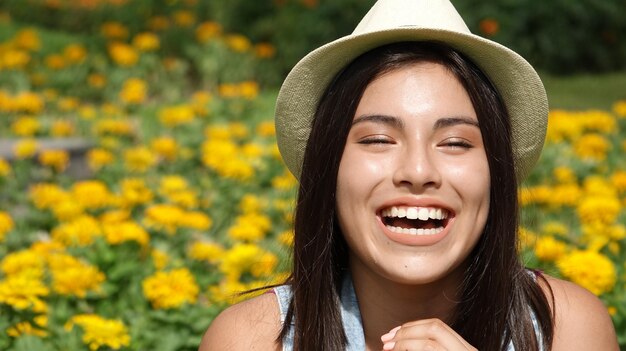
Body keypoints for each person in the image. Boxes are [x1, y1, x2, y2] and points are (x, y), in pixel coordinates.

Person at [200, 0, 619, 350]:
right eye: (379, 139)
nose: (418, 172)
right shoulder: (251, 340)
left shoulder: (565, 331)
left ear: (496, 173)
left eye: (455, 142)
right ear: (329, 167)